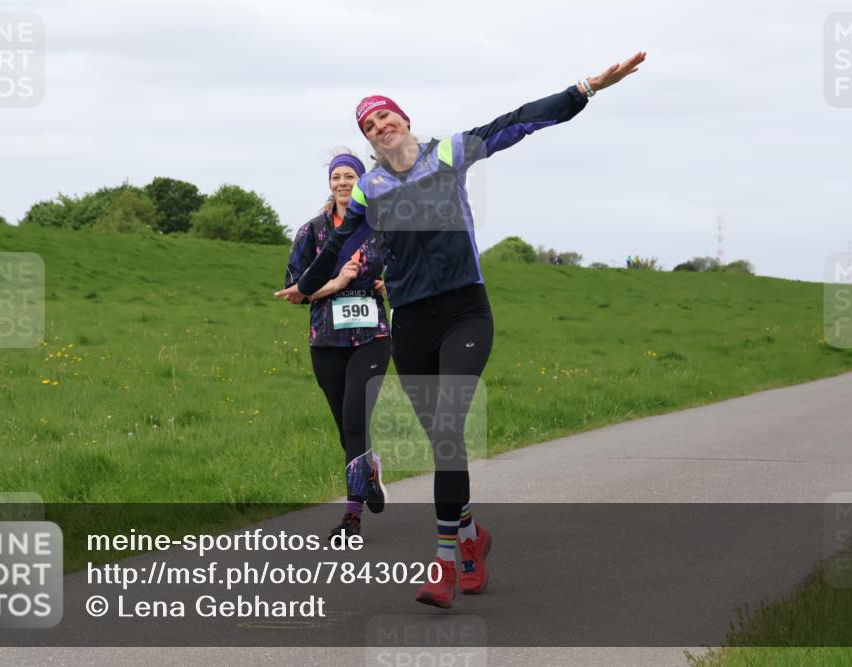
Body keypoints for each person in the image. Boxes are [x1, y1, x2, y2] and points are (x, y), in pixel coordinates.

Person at [275, 51, 646, 607]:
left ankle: (445, 564)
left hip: (465, 313)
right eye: (369, 126)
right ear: (369, 141)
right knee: (443, 444)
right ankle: (472, 540)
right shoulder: (372, 188)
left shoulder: (448, 152)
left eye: (386, 117)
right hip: (412, 325)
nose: (381, 126)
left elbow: (518, 121)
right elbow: (335, 247)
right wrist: (305, 284)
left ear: (404, 119)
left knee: (450, 427)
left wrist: (587, 88)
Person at [279, 150, 392, 542]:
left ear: (362, 182)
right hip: (326, 339)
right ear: (330, 184)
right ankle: (369, 470)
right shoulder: (311, 232)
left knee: (355, 419)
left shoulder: (382, 226)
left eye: (350, 176)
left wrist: (387, 283)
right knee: (346, 428)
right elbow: (296, 291)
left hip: (372, 337)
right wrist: (337, 284)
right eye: (337, 177)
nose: (343, 183)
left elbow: (404, 271)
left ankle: (352, 517)